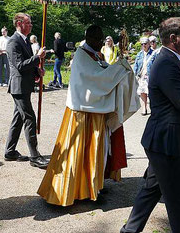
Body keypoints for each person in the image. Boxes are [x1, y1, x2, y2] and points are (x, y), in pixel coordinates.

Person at [120, 17, 180, 233]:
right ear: (173, 38)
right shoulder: (165, 63)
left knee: (152, 189)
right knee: (178, 200)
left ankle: (129, 230)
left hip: (168, 140)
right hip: (168, 143)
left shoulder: (178, 59)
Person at [38, 25, 139, 206]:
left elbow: (104, 74)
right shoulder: (81, 55)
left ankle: (95, 185)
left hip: (96, 111)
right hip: (82, 114)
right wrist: (120, 67)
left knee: (97, 151)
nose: (101, 42)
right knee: (79, 152)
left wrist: (119, 66)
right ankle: (78, 189)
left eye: (101, 39)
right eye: (97, 38)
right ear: (89, 38)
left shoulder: (95, 54)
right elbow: (98, 80)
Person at [4, 13, 49, 169]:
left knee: (18, 118)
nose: (31, 25)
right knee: (29, 118)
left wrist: (37, 71)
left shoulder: (24, 41)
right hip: (18, 86)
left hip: (24, 85)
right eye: (28, 23)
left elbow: (27, 65)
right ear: (19, 23)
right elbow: (20, 65)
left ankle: (10, 151)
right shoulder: (12, 42)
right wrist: (37, 57)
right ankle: (34, 156)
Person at [133, 36, 153, 115]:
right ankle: (144, 107)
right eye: (142, 44)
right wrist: (134, 75)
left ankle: (153, 107)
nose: (143, 45)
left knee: (151, 93)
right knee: (142, 92)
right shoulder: (139, 54)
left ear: (149, 44)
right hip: (141, 76)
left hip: (150, 76)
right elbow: (136, 65)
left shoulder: (153, 53)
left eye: (145, 43)